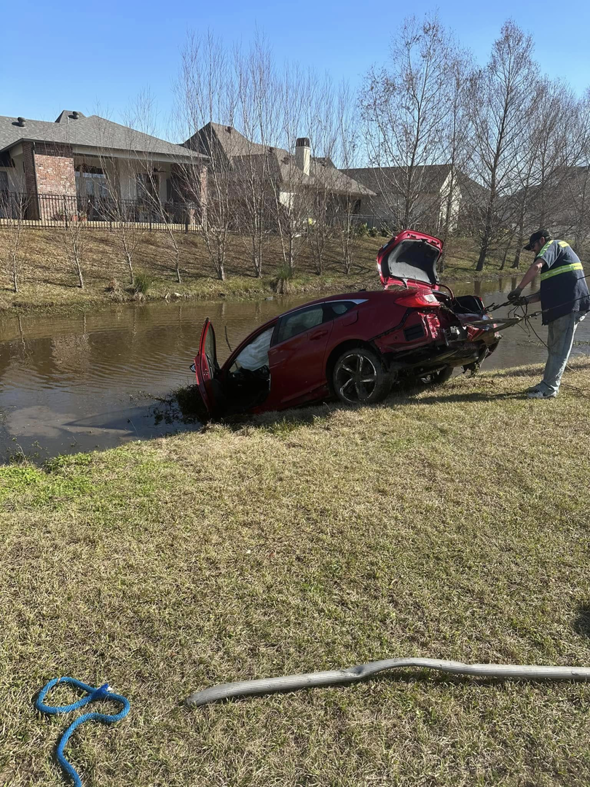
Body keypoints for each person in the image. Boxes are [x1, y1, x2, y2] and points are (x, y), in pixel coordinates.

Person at [508, 229, 590, 398]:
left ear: (542, 240)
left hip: (569, 307)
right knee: (554, 347)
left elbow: (536, 267)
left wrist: (518, 289)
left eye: (533, 247)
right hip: (560, 308)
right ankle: (546, 384)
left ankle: (549, 389)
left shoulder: (554, 244)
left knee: (559, 349)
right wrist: (523, 301)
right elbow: (546, 293)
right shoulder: (556, 263)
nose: (533, 251)